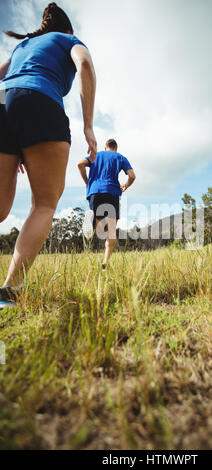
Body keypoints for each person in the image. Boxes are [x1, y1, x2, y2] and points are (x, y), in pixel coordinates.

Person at [0, 2, 97, 308]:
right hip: (42, 103)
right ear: (68, 29)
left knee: (0, 209)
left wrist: (14, 138)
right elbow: (84, 66)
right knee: (43, 204)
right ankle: (9, 291)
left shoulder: (23, 46)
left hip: (3, 104)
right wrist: (89, 126)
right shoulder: (69, 40)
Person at [77, 139, 136, 270]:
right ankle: (105, 263)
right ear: (116, 147)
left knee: (98, 227)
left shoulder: (96, 154)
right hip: (112, 192)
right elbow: (132, 176)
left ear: (105, 147)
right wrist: (126, 185)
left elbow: (80, 164)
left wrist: (87, 182)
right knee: (111, 231)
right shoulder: (120, 157)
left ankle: (94, 221)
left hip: (94, 192)